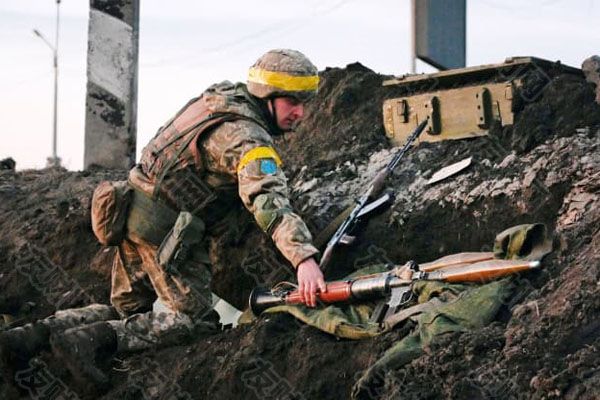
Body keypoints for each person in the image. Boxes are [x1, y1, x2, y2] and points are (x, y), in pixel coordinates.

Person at [0, 49, 326, 388]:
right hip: (166, 234)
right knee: (193, 322)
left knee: (128, 312)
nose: (300, 113)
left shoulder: (218, 101)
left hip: (131, 211)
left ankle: (26, 338)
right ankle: (88, 341)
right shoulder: (246, 139)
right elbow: (267, 200)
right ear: (267, 96)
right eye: (292, 102)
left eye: (304, 102)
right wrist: (303, 259)